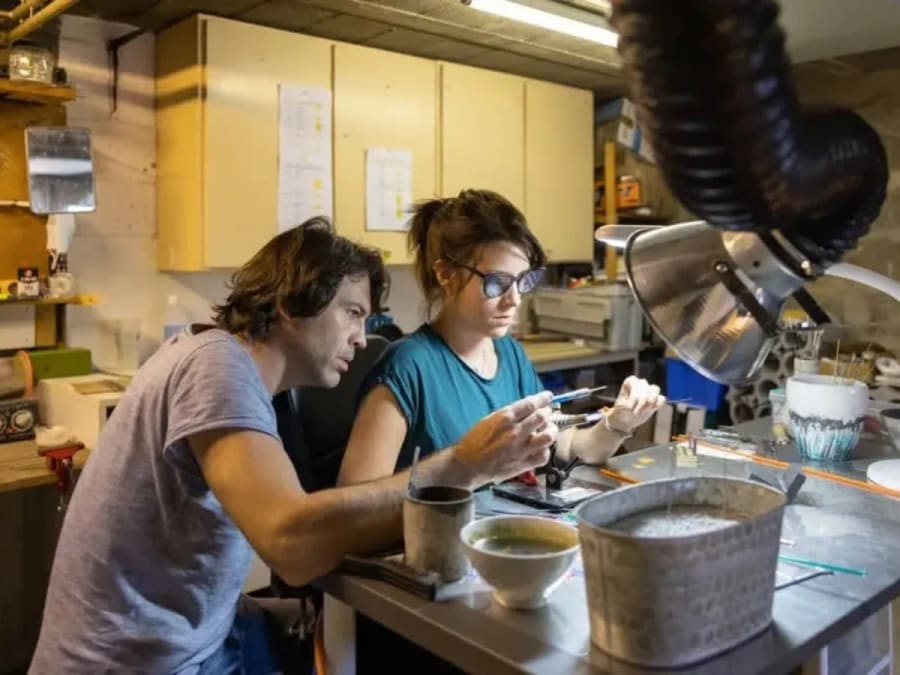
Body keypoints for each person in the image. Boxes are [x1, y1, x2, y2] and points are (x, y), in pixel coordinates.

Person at [29, 218, 558, 674]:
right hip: (139, 662)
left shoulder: (223, 366)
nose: (362, 337)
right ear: (291, 302)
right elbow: (291, 543)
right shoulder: (216, 367)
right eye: (352, 313)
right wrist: (463, 465)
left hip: (194, 631)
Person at [338, 189, 665, 487]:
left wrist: (618, 423)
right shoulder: (408, 368)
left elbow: (568, 447)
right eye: (497, 283)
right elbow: (354, 502)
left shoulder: (509, 354)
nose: (515, 299)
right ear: (446, 275)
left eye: (523, 281)